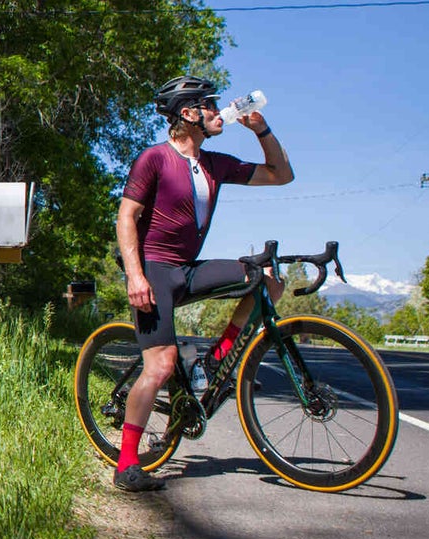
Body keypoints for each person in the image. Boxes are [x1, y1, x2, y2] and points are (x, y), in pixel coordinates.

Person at [111, 75, 294, 492]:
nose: (219, 111)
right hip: (156, 269)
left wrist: (261, 130)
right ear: (189, 113)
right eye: (210, 105)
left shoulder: (215, 163)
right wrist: (135, 275)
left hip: (188, 267)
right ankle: (126, 466)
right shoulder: (154, 159)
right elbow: (126, 217)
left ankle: (218, 360)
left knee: (266, 280)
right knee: (161, 364)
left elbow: (281, 175)